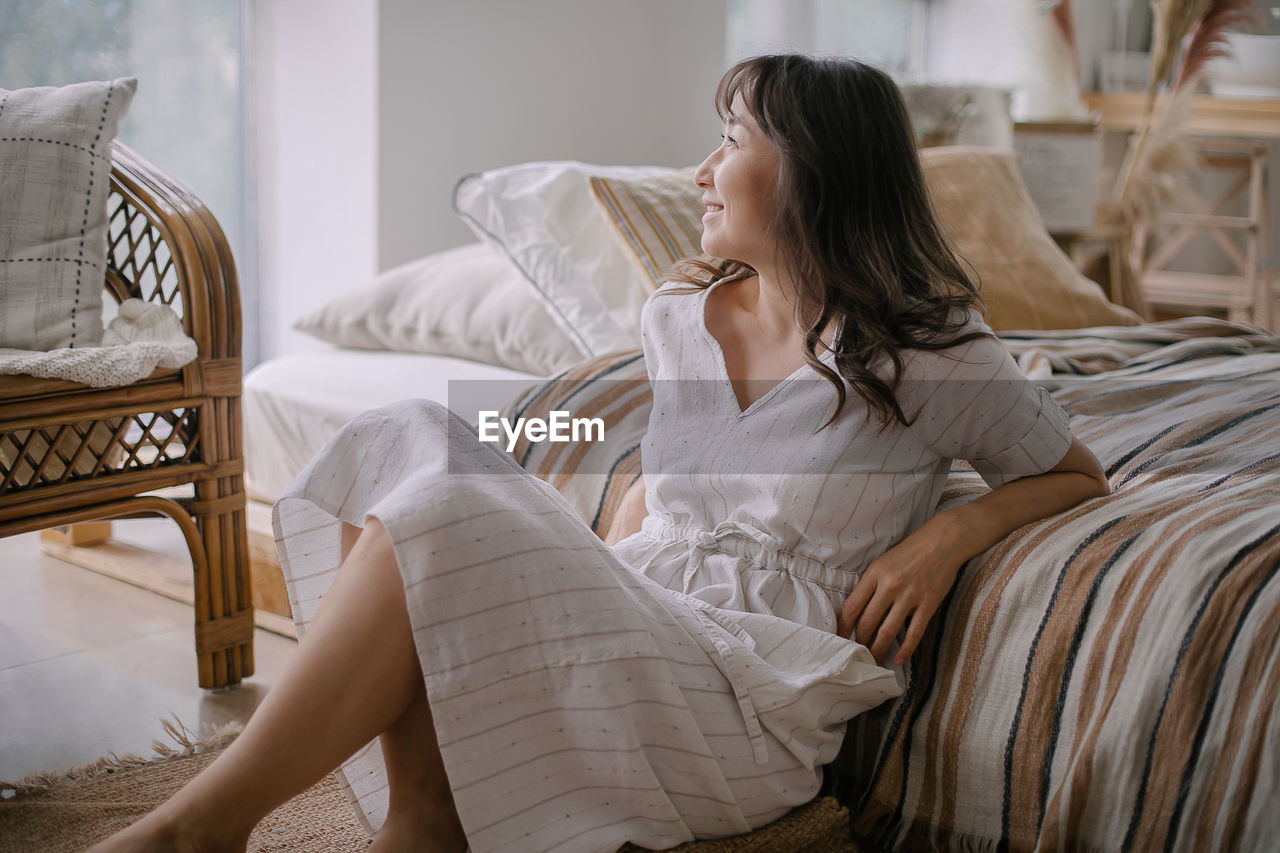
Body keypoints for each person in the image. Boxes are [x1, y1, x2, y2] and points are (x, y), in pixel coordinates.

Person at [88, 55, 1109, 853]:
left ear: (816, 168)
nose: (702, 169)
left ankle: (204, 825)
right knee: (410, 432)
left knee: (448, 492)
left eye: (729, 139)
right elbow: (652, 465)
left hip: (747, 694)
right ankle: (422, 820)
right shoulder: (677, 312)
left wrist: (951, 531)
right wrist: (581, 506)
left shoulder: (924, 348)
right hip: (642, 619)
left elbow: (1072, 473)